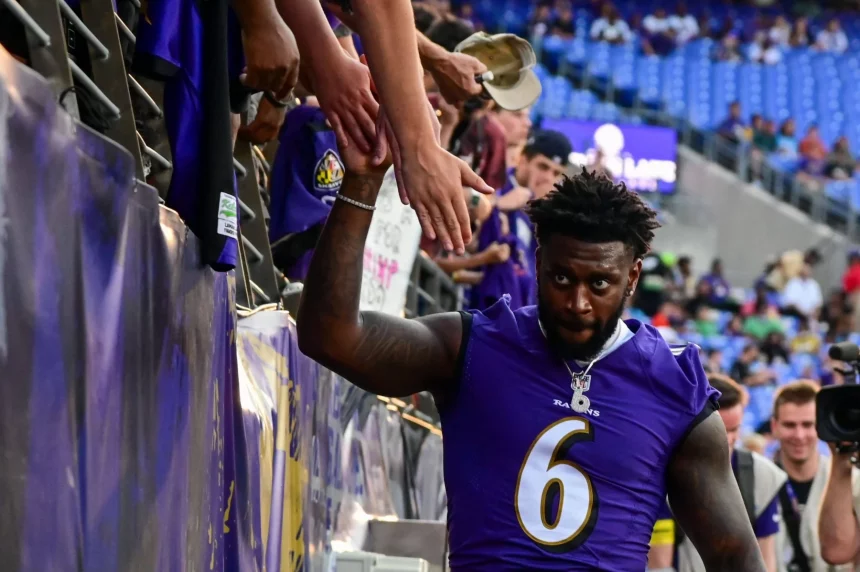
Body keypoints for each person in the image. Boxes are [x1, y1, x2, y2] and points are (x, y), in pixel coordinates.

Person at [297, 147, 767, 569]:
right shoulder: (472, 345)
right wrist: (360, 182)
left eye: (599, 284)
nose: (578, 303)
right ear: (539, 264)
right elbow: (330, 337)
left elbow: (735, 555)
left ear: (632, 277)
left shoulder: (673, 386)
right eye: (562, 279)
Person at [648, 373, 786, 572]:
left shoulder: (763, 476)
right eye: (720, 429)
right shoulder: (663, 478)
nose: (727, 439)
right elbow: (660, 566)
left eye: (734, 430)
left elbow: (766, 559)